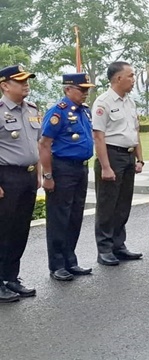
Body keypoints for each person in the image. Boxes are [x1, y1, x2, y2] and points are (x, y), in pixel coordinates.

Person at [39, 73, 95, 282]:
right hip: (62, 168)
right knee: (59, 218)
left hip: (80, 168)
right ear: (67, 89)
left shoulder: (84, 111)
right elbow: (44, 144)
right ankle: (57, 264)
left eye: (87, 90)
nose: (85, 93)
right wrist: (47, 175)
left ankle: (70, 260)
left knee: (75, 216)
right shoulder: (58, 112)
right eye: (82, 90)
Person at [93, 61, 143, 266]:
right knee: (107, 204)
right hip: (112, 155)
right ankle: (104, 249)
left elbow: (135, 131)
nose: (133, 80)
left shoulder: (129, 102)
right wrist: (105, 166)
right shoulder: (103, 102)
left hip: (129, 155)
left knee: (123, 203)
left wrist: (139, 158)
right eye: (130, 76)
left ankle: (118, 245)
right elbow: (98, 136)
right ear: (118, 78)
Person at [0, 65, 40, 301]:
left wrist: (38, 172)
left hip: (28, 176)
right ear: (5, 85)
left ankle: (11, 277)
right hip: (7, 176)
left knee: (19, 229)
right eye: (20, 81)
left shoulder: (32, 109)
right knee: (3, 229)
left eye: (27, 80)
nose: (26, 84)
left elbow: (36, 144)